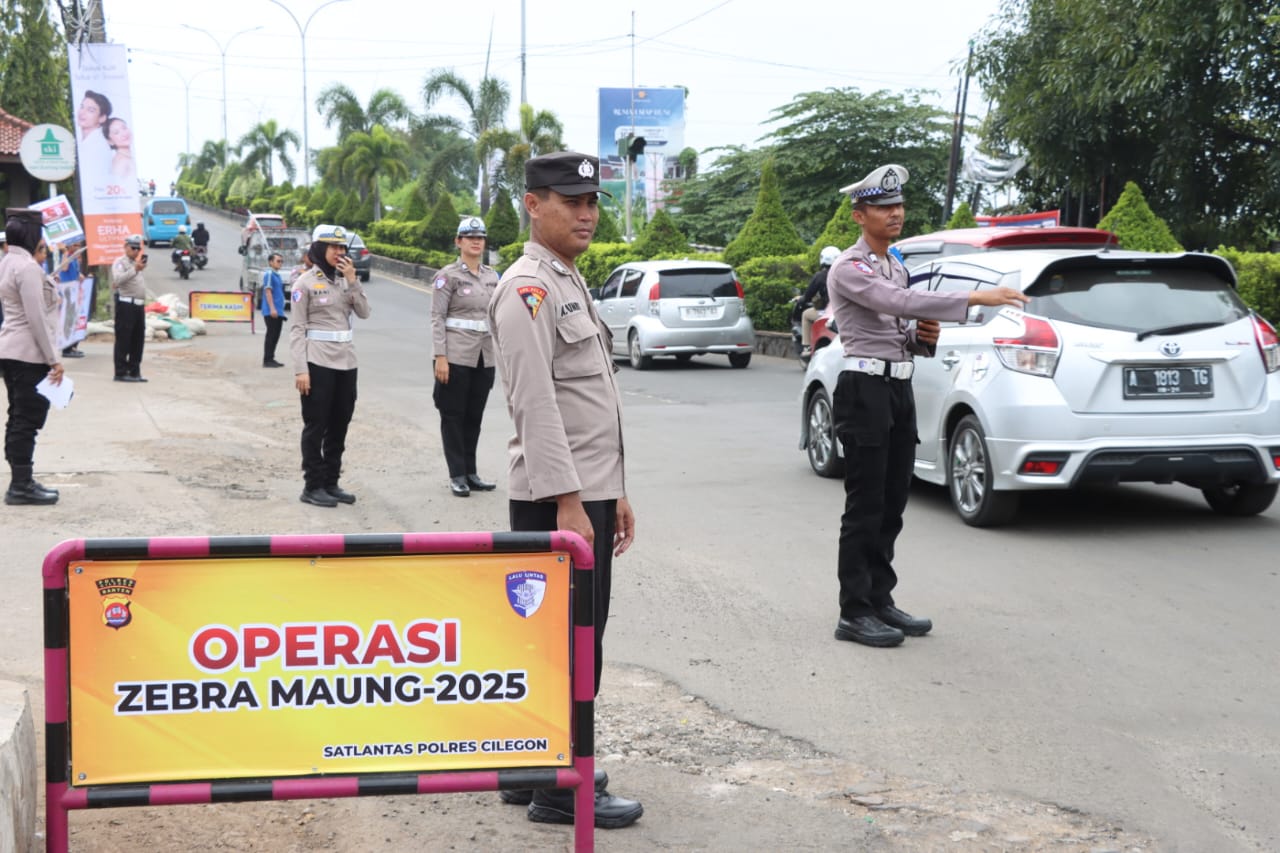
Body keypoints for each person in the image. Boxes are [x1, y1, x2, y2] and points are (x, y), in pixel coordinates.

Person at [488, 152, 643, 830]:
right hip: (559, 500)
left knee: (565, 638)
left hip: (587, 491)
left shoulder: (565, 278)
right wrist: (570, 502)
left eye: (592, 202)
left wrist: (616, 491)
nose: (586, 214)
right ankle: (559, 786)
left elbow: (590, 401)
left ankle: (533, 768)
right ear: (533, 204)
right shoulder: (527, 288)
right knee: (567, 644)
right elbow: (535, 403)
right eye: (571, 201)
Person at [827, 164, 1029, 648]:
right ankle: (854, 611)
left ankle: (880, 599)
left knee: (894, 502)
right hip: (864, 389)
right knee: (865, 505)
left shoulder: (896, 265)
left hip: (898, 389)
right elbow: (896, 302)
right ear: (859, 216)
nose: (895, 213)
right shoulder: (849, 268)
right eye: (883, 207)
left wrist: (924, 339)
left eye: (898, 205)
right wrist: (979, 296)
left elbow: (904, 330)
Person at [289, 224, 369, 508]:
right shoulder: (304, 284)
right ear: (319, 249)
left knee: (339, 424)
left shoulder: (345, 280)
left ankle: (331, 482)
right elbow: (297, 329)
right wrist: (301, 369)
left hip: (346, 362)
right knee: (316, 425)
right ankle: (312, 485)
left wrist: (353, 281)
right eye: (333, 247)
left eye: (342, 247)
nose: (339, 252)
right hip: (317, 362)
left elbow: (364, 312)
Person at [0, 209, 65, 505]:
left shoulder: (8, 261)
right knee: (27, 420)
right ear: (31, 235)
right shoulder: (27, 267)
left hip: (11, 351)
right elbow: (36, 318)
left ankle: (21, 479)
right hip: (28, 354)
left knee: (18, 418)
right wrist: (54, 360)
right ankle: (20, 486)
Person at [431, 216, 500, 497]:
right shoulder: (447, 276)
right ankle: (457, 474)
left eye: (480, 238)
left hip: (485, 357)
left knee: (474, 417)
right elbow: (437, 317)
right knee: (453, 416)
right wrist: (440, 356)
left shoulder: (492, 277)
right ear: (458, 241)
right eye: (470, 237)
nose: (476, 242)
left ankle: (471, 473)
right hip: (456, 356)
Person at [111, 234, 149, 382]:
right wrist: (135, 270)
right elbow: (118, 280)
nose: (136, 251)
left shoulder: (136, 263)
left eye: (138, 249)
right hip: (126, 304)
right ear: (126, 247)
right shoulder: (120, 263)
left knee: (138, 340)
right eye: (133, 248)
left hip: (138, 305)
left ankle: (134, 371)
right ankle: (120, 372)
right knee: (124, 339)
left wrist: (138, 267)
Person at [800, 245, 840, 356]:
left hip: (828, 312)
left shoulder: (820, 276)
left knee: (805, 315)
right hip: (843, 312)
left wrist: (801, 300)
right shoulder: (844, 274)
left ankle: (806, 347)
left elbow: (808, 296)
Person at [76, 91, 112, 179]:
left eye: (90, 110)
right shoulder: (84, 141)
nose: (82, 112)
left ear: (102, 118)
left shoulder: (99, 145)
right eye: (82, 107)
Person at [260, 252, 286, 368]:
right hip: (272, 310)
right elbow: (268, 291)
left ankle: (271, 357)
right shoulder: (269, 274)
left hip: (278, 310)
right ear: (271, 262)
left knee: (276, 335)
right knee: (271, 335)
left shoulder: (277, 275)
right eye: (278, 261)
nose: (280, 263)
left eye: (281, 261)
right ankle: (267, 359)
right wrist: (272, 308)